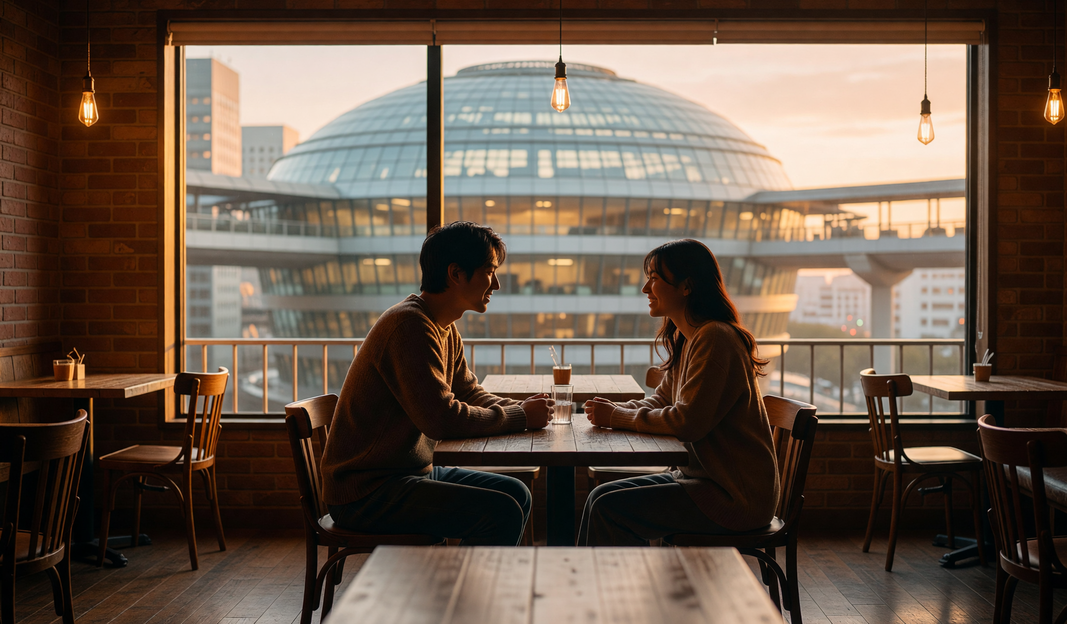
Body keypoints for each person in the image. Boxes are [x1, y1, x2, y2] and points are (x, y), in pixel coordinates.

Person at [321, 221, 552, 546]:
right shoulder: (409, 326)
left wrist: (520, 409)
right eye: (489, 270)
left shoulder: (441, 325)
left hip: (406, 474)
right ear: (456, 273)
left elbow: (469, 391)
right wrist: (522, 417)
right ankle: (465, 595)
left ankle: (472, 587)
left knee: (517, 493)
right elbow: (441, 419)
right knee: (502, 511)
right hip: (367, 491)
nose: (497, 284)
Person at [578, 239, 780, 546]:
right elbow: (661, 400)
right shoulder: (690, 338)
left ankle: (615, 593)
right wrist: (612, 412)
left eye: (655, 279)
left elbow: (687, 422)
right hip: (700, 481)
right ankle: (612, 589)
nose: (646, 289)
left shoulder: (715, 337)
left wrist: (618, 416)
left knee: (608, 508)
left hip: (733, 498)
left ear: (686, 286)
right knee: (600, 496)